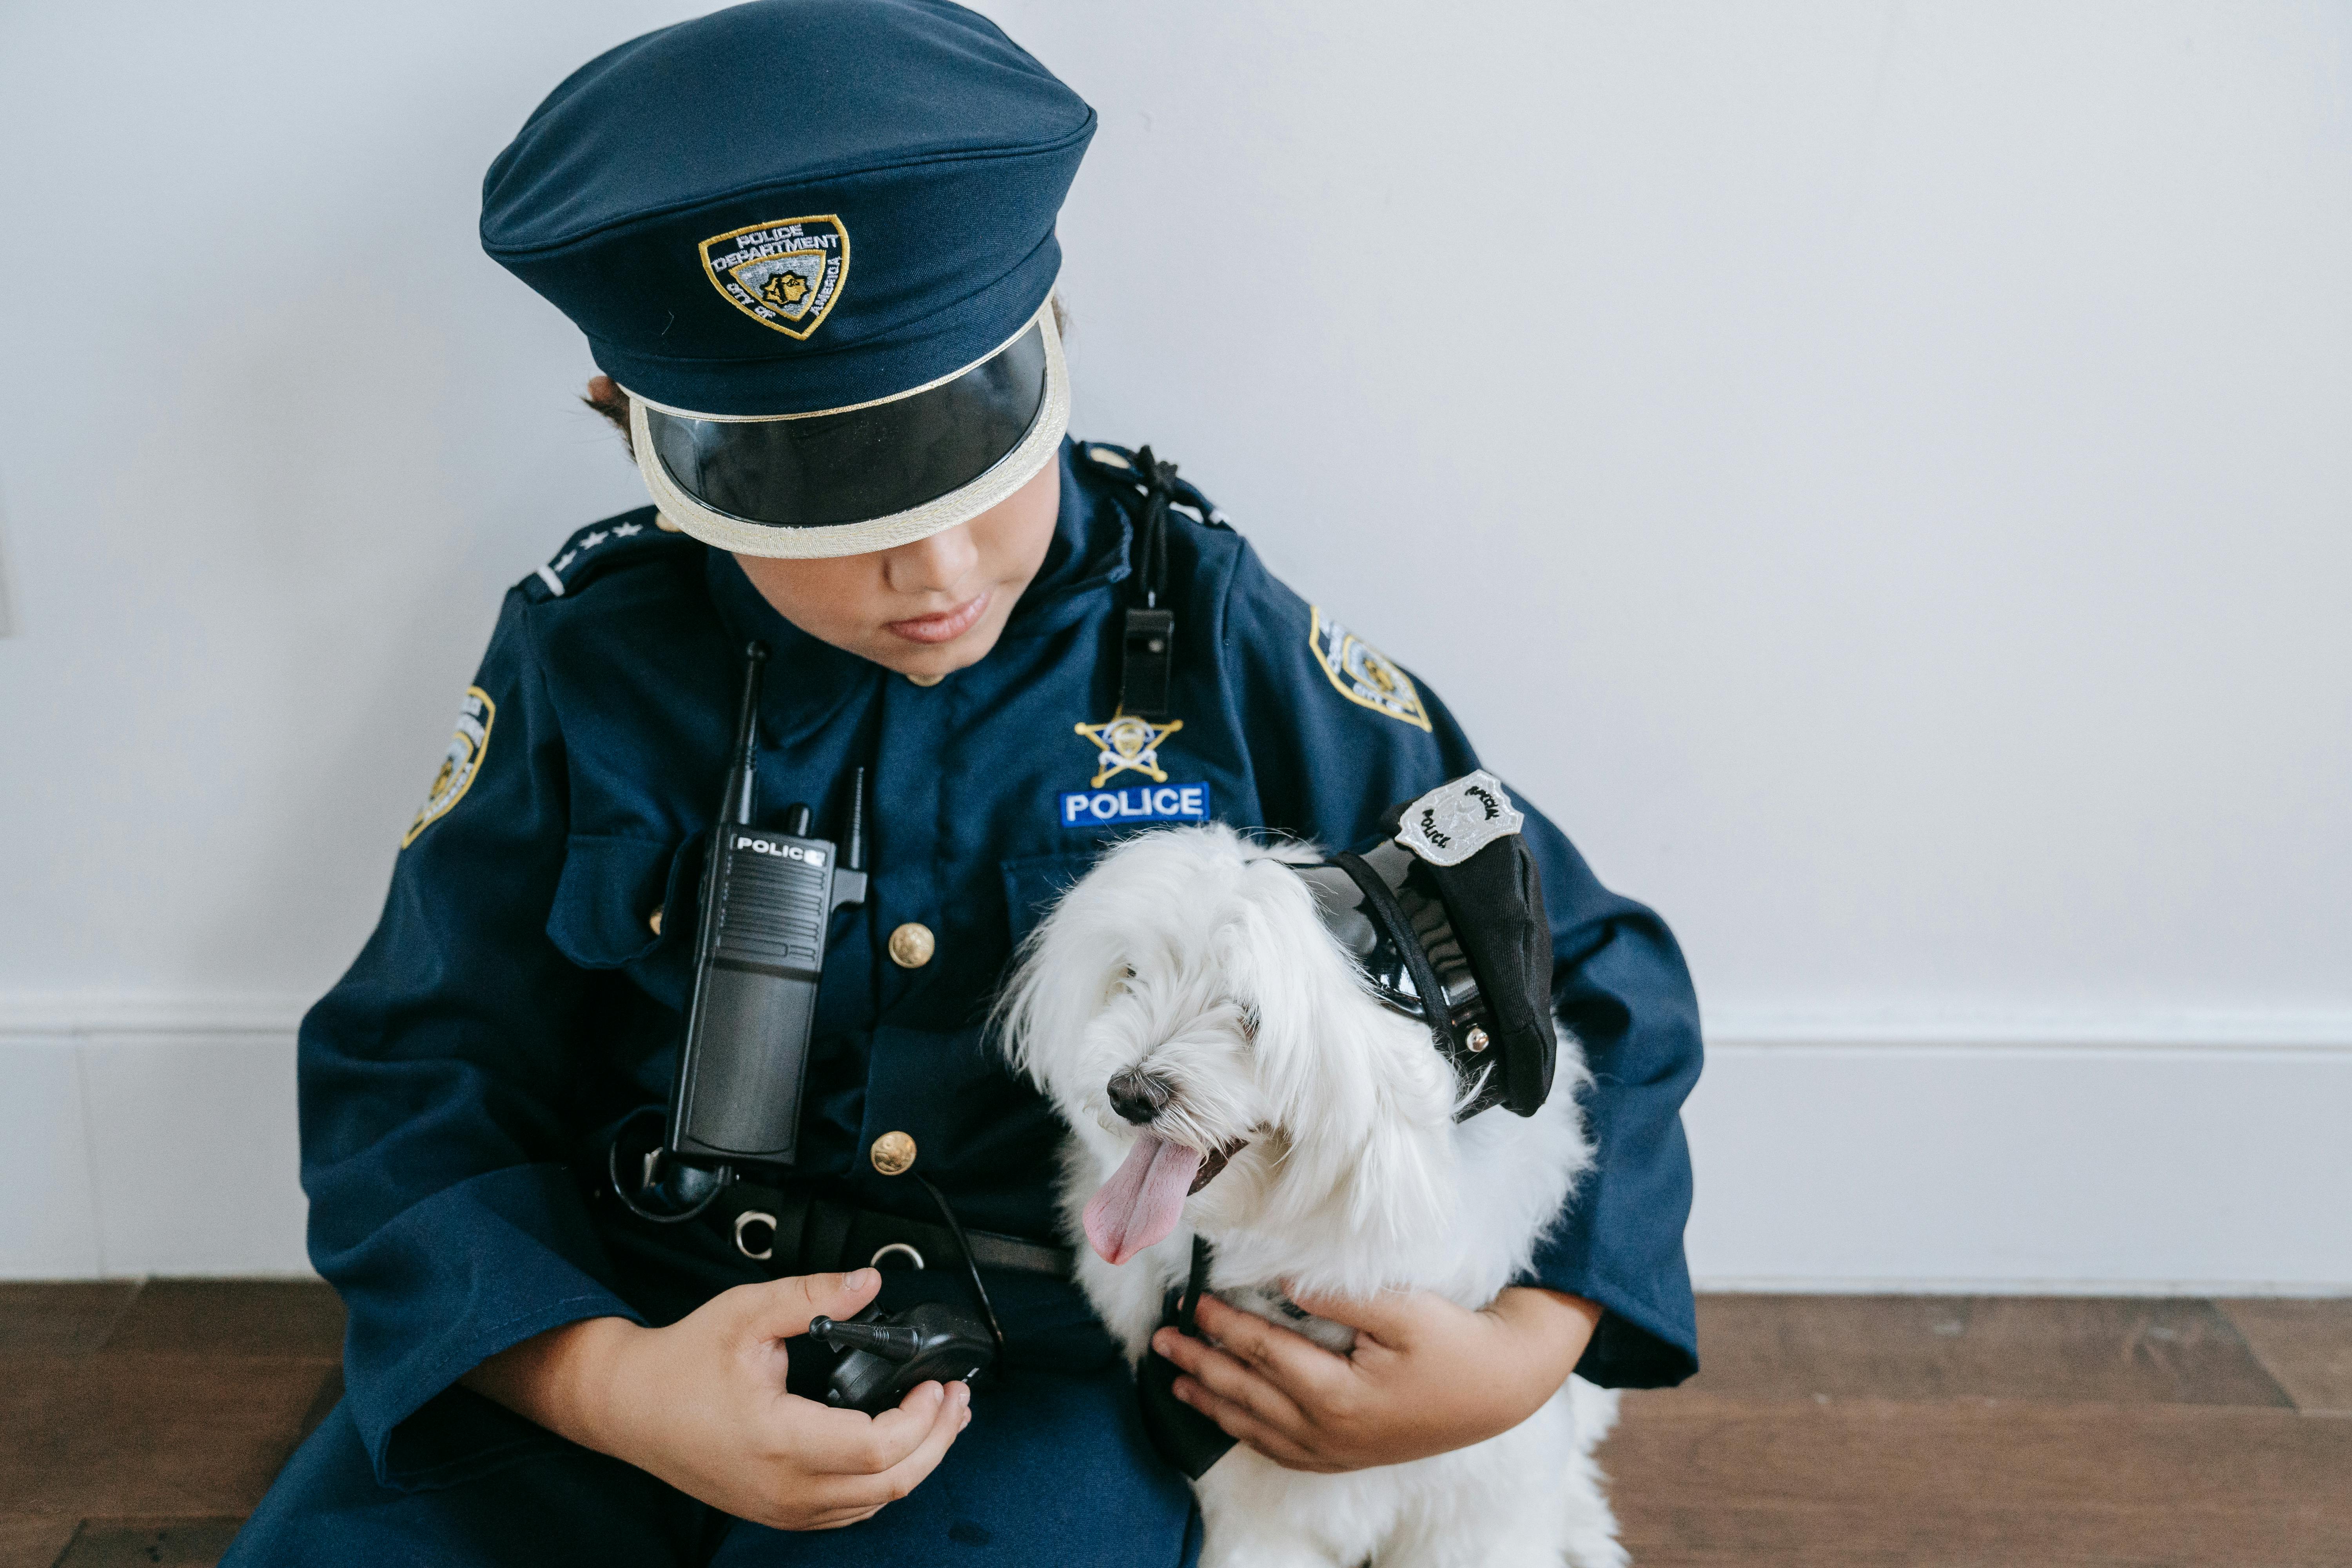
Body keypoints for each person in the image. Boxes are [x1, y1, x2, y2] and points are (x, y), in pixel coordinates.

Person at [223, 2, 1702, 1563]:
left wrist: (1524, 1352)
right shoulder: (590, 663)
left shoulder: (1199, 626)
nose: (932, 571)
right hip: (619, 1326)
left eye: (973, 455)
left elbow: (1587, 963)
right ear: (632, 431)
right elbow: (412, 1073)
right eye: (819, 493)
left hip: (1015, 1380)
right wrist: (607, 1382)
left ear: (1053, 349)